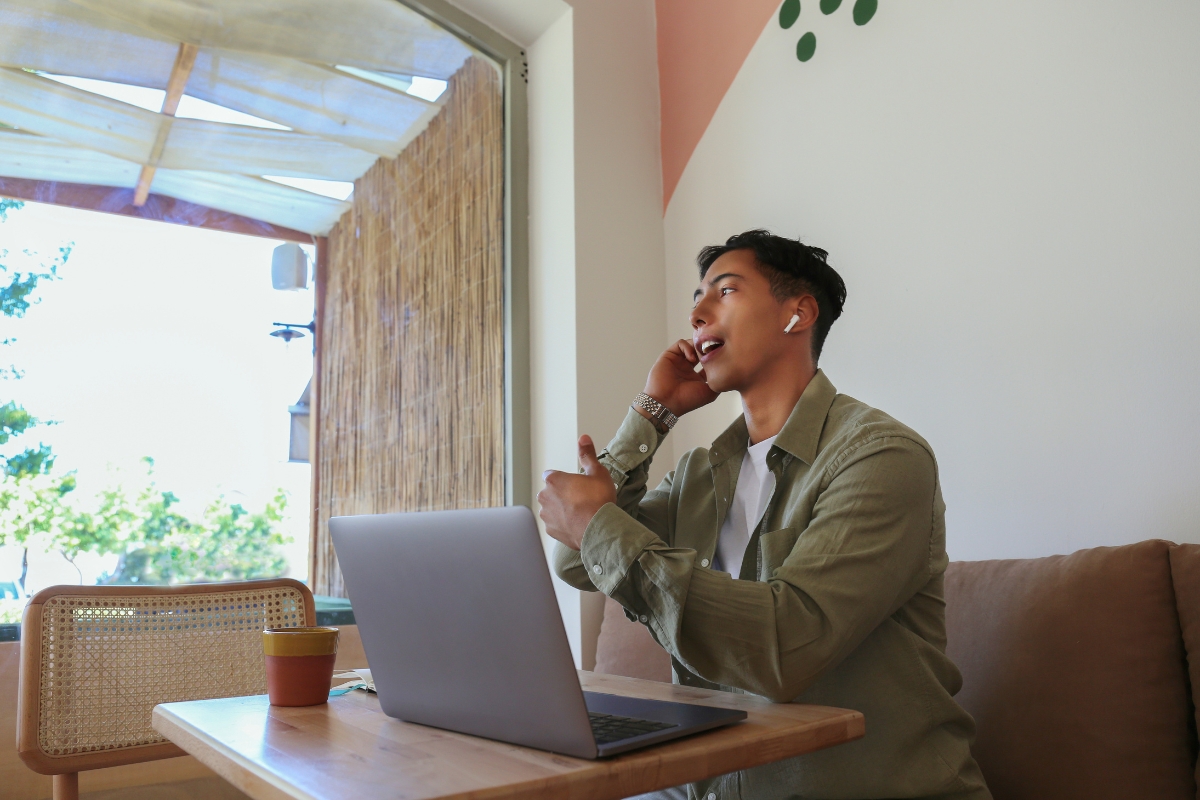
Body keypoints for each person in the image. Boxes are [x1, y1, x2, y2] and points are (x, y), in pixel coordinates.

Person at [537, 230, 991, 800]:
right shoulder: (700, 475)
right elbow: (578, 560)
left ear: (797, 314)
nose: (697, 314)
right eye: (696, 301)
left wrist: (599, 526)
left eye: (724, 292)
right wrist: (651, 416)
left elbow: (784, 647)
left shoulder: (882, 457)